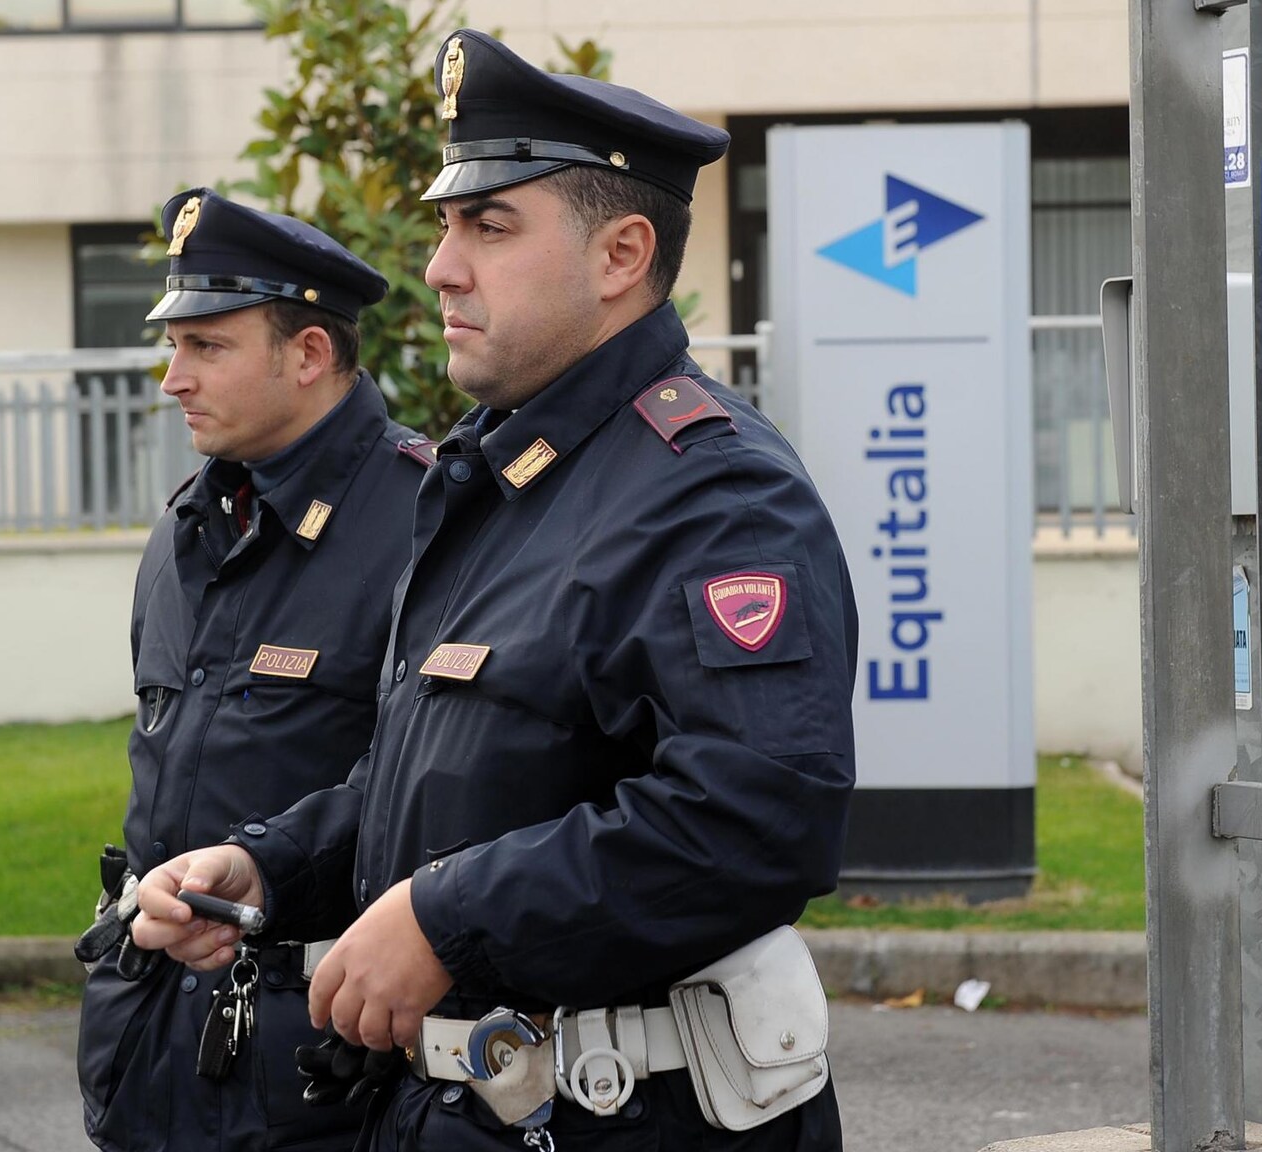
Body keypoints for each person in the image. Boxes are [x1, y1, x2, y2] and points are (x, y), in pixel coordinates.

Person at [133, 30, 856, 1151]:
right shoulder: (504, 477)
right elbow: (437, 778)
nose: (439, 266)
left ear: (619, 256)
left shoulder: (711, 492)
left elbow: (756, 817)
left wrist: (447, 917)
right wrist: (271, 866)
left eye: (490, 225)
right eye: (443, 224)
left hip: (626, 1117)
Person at [76, 188, 432, 1152]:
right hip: (150, 1042)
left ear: (310, 353)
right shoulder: (190, 521)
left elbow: (430, 792)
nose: (170, 378)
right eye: (173, 345)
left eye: (207, 346)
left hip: (314, 1065)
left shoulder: (423, 524)